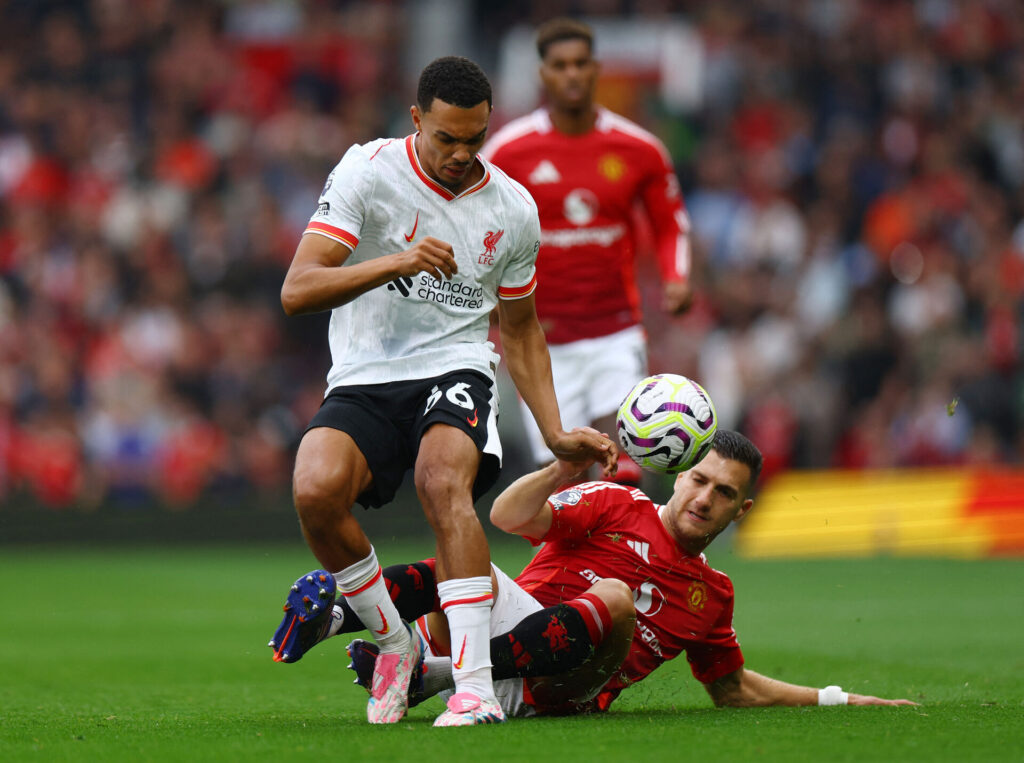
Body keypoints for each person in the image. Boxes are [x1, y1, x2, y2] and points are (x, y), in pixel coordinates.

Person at [269, 55, 616, 728]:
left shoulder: (513, 209)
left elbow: (519, 329)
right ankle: (397, 644)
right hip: (367, 373)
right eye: (446, 138)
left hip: (455, 366)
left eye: (475, 139)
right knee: (315, 491)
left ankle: (476, 688)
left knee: (441, 481)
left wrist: (552, 428)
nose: (461, 154)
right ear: (417, 120)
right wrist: (398, 259)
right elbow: (297, 289)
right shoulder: (368, 170)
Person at [281, 430, 917, 715]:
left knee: (611, 598)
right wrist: (563, 467)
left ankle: (430, 673)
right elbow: (505, 513)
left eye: (723, 494)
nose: (703, 498)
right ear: (679, 472)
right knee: (463, 560)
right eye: (699, 479)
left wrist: (834, 698)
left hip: (563, 694)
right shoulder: (617, 503)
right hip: (491, 644)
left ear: (740, 509)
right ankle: (337, 615)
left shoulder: (712, 596)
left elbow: (732, 690)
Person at [481, 18, 693, 483]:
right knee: (563, 476)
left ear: (596, 69)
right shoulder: (507, 152)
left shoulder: (640, 149)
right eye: (560, 65)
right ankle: (575, 559)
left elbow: (670, 223)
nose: (572, 74)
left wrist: (676, 277)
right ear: (543, 74)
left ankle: (625, 555)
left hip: (615, 331)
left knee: (623, 462)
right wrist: (488, 301)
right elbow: (477, 231)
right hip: (540, 339)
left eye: (580, 64)